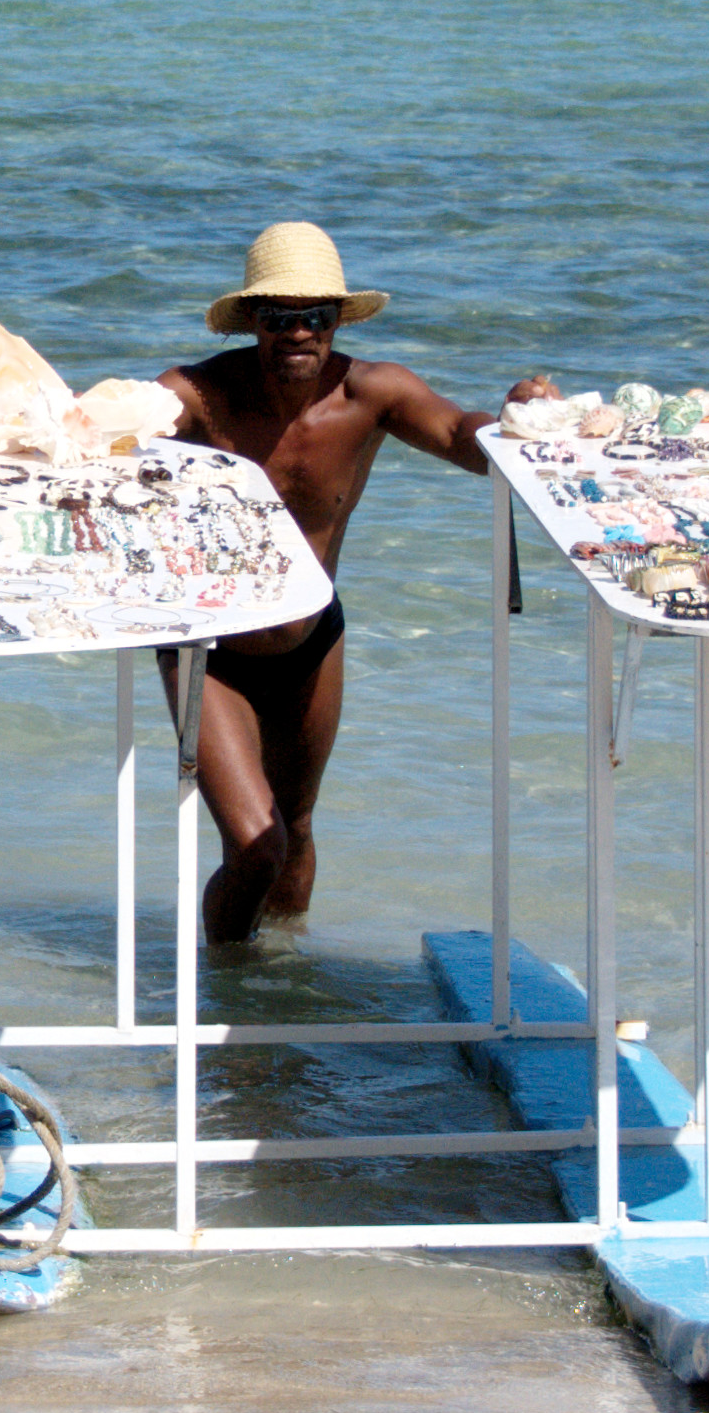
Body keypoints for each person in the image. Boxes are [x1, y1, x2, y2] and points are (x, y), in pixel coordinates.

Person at [159, 222, 554, 946]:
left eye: (316, 317)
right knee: (256, 848)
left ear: (338, 320)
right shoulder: (199, 394)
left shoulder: (374, 393)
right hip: (210, 651)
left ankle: (285, 970)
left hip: (314, 638)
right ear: (251, 322)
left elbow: (459, 435)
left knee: (296, 831)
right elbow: (110, 434)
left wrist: (516, 423)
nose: (298, 333)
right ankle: (225, 987)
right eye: (278, 318)